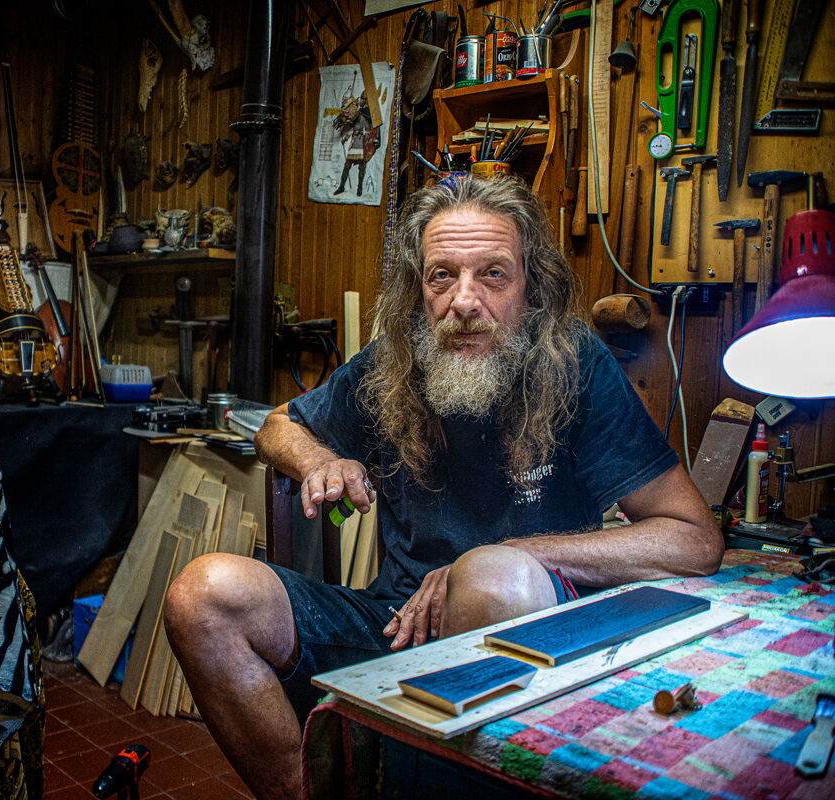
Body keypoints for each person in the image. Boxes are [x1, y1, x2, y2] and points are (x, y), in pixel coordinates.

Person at [163, 176, 723, 799]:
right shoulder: (394, 362)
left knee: (489, 577)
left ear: (530, 287)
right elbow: (276, 426)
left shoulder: (578, 366)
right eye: (441, 276)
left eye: (492, 275)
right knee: (202, 596)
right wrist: (319, 458)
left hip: (537, 635)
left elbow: (693, 541)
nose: (463, 300)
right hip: (398, 623)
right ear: (418, 287)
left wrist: (513, 554)